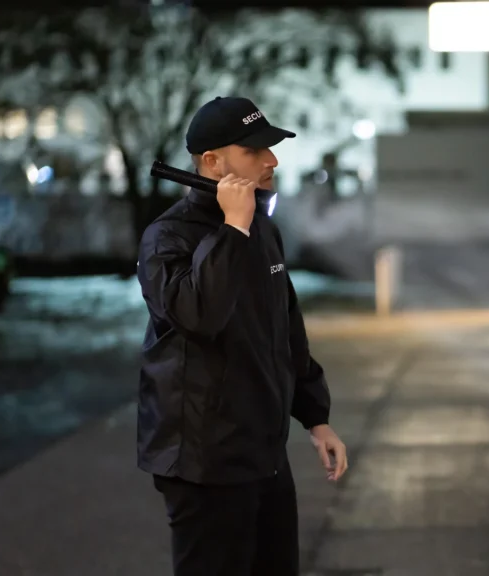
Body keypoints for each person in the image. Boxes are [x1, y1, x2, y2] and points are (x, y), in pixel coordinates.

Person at [136, 96, 348, 576]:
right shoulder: (168, 238)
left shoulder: (262, 230)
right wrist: (232, 227)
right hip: (205, 462)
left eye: (270, 148)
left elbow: (283, 327)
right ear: (211, 161)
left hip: (263, 453)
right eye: (254, 151)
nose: (271, 160)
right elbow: (199, 315)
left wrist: (316, 418)